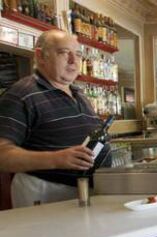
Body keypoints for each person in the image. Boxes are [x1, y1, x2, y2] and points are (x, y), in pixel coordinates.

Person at [0, 30, 110, 208]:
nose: (74, 61)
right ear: (40, 56)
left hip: (83, 192)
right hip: (45, 193)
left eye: (78, 54)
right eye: (64, 53)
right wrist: (56, 159)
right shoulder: (22, 94)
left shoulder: (79, 94)